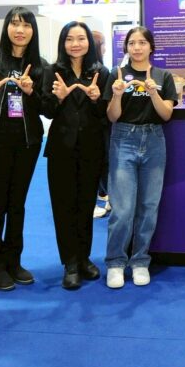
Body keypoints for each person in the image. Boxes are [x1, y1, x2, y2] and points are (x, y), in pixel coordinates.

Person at [0, 7, 46, 291]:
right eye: (14, 24)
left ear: (33, 31)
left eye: (26, 25)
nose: (20, 30)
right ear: (6, 28)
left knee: (17, 204)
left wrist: (31, 92)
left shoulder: (40, 66)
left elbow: (48, 108)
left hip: (27, 144)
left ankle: (14, 261)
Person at [103, 26, 177, 288]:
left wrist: (154, 92)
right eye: (132, 43)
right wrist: (117, 95)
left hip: (154, 140)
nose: (137, 47)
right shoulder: (117, 74)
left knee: (148, 206)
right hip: (123, 139)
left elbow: (166, 114)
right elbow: (112, 116)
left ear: (151, 47)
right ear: (126, 47)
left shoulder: (163, 76)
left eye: (142, 42)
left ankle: (140, 261)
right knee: (122, 209)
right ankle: (115, 262)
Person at [41, 21, 110, 290]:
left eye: (81, 38)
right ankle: (69, 262)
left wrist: (96, 99)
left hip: (92, 148)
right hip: (62, 148)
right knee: (64, 206)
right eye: (70, 39)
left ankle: (84, 258)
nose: (75, 44)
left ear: (89, 43)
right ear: (63, 43)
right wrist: (58, 98)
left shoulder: (101, 72)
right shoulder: (52, 71)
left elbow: (106, 114)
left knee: (86, 205)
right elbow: (46, 110)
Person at [91, 29, 112, 219]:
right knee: (102, 163)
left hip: (100, 125)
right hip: (98, 127)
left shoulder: (101, 70)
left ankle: (104, 195)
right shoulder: (100, 70)